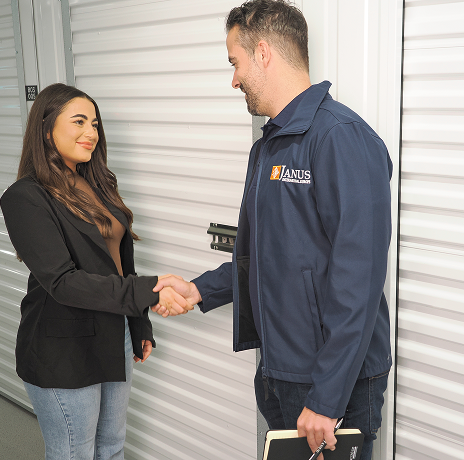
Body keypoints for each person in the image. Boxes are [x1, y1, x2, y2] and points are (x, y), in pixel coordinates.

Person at [153, 1, 393, 459]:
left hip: (331, 382)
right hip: (280, 369)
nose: (234, 79)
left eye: (235, 62)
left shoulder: (340, 137)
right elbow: (265, 257)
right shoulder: (268, 147)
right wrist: (199, 289)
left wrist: (327, 397)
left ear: (263, 52)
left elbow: (359, 282)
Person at [0, 83, 191, 460]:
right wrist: (151, 289)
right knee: (75, 453)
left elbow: (120, 262)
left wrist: (138, 323)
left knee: (112, 446)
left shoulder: (98, 184)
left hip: (113, 331)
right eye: (79, 122)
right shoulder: (25, 197)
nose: (91, 132)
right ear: (46, 129)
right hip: (63, 346)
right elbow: (63, 282)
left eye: (95, 123)